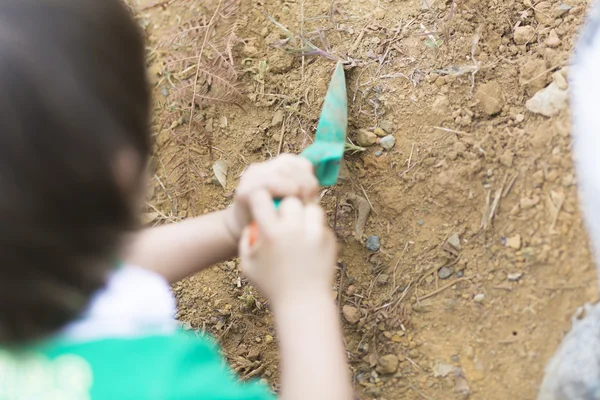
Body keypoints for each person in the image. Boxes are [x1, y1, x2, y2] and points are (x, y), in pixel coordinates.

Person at [0, 1, 353, 399]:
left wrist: (229, 227)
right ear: (124, 170)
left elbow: (73, 263)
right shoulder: (164, 385)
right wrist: (302, 297)